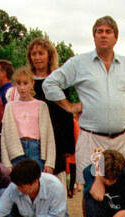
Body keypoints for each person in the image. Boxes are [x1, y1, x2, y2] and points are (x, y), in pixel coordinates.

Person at [42, 16, 125, 176]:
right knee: (91, 191)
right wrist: (69, 106)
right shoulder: (79, 63)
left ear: (115, 38)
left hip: (121, 140)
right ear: (94, 36)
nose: (103, 35)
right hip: (91, 139)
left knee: (122, 192)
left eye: (108, 32)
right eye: (99, 31)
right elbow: (49, 84)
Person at [25, 37, 74, 193]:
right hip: (31, 138)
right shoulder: (25, 81)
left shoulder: (58, 81)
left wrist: (68, 146)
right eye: (34, 54)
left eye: (41, 53)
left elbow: (66, 113)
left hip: (55, 139)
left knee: (55, 185)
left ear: (49, 55)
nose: (37, 57)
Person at [1, 66, 55, 174]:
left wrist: (50, 162)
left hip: (36, 149)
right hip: (16, 150)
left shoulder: (41, 106)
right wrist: (6, 163)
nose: (22, 87)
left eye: (25, 83)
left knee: (36, 185)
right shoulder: (9, 106)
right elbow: (4, 136)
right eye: (18, 84)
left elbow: (49, 135)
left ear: (32, 83)